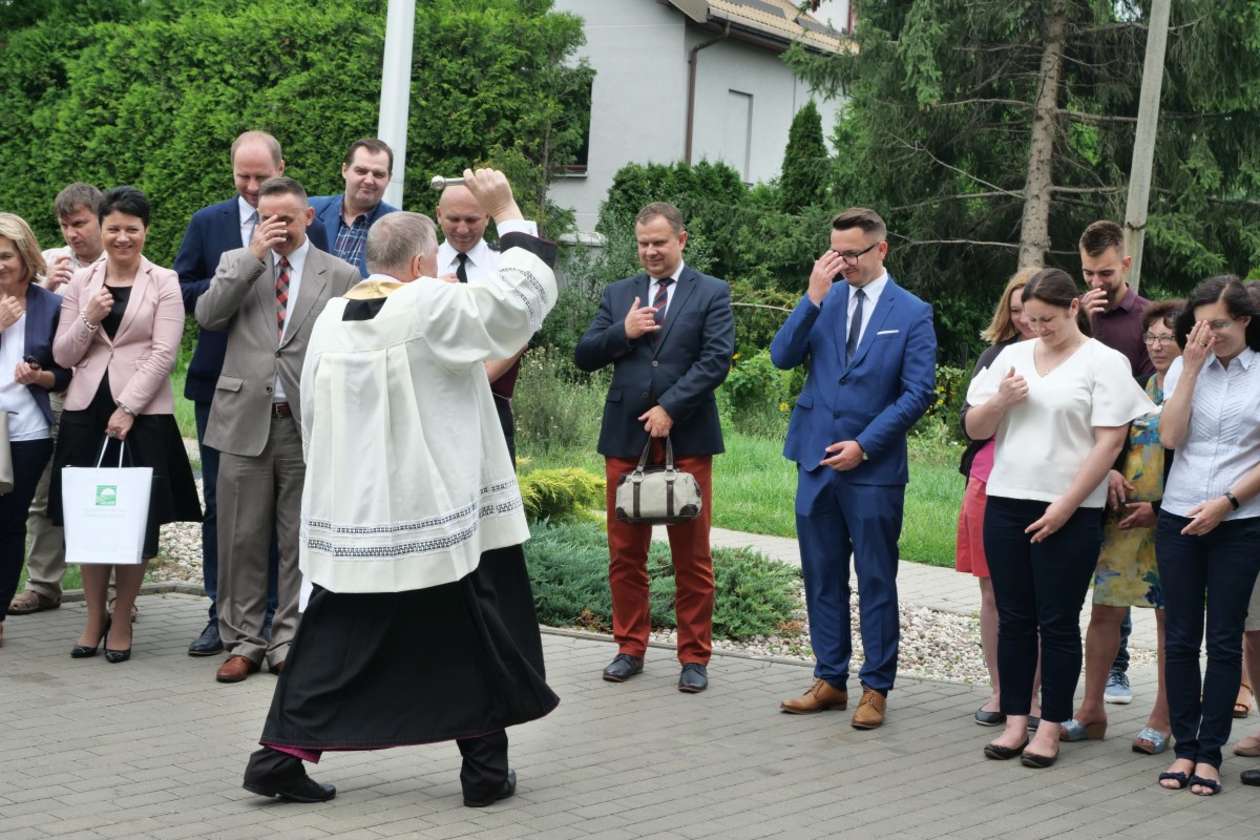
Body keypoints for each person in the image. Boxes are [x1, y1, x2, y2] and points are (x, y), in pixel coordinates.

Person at [241, 169, 558, 807]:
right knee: (470, 630)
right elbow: (519, 302)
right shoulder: (426, 304)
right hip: (425, 514)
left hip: (354, 517)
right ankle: (485, 774)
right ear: (421, 261)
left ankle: (280, 755)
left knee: (334, 637)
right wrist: (510, 212)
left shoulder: (333, 317)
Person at [965, 268, 1153, 768]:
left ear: (1073, 308)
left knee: (1058, 622)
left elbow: (1109, 442)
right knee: (1015, 618)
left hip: (1071, 508)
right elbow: (974, 426)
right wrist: (1001, 401)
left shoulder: (1104, 362)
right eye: (1030, 319)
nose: (1038, 328)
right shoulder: (1010, 355)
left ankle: (1050, 727)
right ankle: (1014, 722)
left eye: (1047, 319)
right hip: (1007, 501)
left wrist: (1066, 506)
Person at [770, 208, 937, 729]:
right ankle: (829, 679)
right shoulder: (826, 296)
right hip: (815, 461)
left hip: (873, 468)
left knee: (875, 579)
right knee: (821, 576)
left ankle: (875, 688)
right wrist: (812, 296)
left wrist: (865, 445)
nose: (844, 263)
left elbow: (918, 393)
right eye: (836, 253)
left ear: (881, 250)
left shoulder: (912, 312)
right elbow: (781, 356)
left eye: (854, 254)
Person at [195, 176, 359, 683]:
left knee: (298, 538)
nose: (279, 227)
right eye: (269, 218)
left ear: (309, 217)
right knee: (241, 537)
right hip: (243, 420)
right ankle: (243, 640)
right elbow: (207, 316)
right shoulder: (235, 262)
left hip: (307, 425)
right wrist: (249, 259)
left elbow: (354, 348)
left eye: (287, 217)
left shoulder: (341, 274)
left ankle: (288, 638)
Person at [173, 131, 324, 657]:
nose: (252, 187)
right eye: (244, 177)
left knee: (289, 521)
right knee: (227, 512)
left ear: (282, 170)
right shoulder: (210, 224)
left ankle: (283, 625)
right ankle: (225, 618)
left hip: (293, 402)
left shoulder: (310, 230)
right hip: (225, 385)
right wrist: (241, 266)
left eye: (262, 177)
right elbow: (190, 296)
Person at [574, 201, 733, 693]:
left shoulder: (711, 292)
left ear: (680, 240)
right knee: (625, 553)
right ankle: (629, 647)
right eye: (643, 244)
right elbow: (585, 355)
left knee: (691, 554)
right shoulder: (619, 293)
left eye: (659, 243)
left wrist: (670, 407)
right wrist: (623, 332)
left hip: (686, 436)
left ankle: (694, 657)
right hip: (625, 437)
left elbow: (715, 361)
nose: (650, 252)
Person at [50, 187, 202, 662]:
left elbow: (164, 352)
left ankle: (123, 617)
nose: (121, 238)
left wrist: (129, 406)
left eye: (131, 230)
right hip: (85, 411)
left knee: (134, 520)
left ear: (145, 231)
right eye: (113, 228)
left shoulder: (165, 281)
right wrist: (90, 318)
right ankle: (93, 618)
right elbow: (64, 355)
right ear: (102, 227)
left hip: (142, 415)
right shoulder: (82, 283)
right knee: (90, 520)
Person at [1061, 300, 1183, 754]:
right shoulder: (1142, 387)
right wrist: (1109, 471)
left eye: (1167, 337)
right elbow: (1110, 439)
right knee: (1104, 612)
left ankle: (1163, 717)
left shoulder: (1195, 390)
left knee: (1172, 623)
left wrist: (1162, 506)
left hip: (1173, 523)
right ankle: (1091, 710)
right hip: (1123, 521)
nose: (1157, 345)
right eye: (1151, 337)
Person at [1154, 275, 1260, 796]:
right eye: (1197, 326)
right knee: (1179, 639)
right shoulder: (1182, 366)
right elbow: (1171, 437)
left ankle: (1211, 754)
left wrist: (1228, 502)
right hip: (1178, 516)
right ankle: (1185, 749)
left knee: (1222, 641)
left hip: (1240, 520)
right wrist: (1191, 368)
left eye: (1217, 324)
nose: (1206, 334)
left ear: (1244, 319)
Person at [8, 184, 102, 618]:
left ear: (101, 219)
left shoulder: (120, 262)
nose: (72, 234)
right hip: (55, 399)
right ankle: (44, 584)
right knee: (43, 497)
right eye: (65, 226)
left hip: (101, 395)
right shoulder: (50, 264)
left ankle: (116, 593)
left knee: (104, 493)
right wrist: (48, 285)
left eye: (80, 223)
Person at [956, 268, 1038, 727]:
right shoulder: (995, 356)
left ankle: (1036, 697)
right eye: (1016, 307)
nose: (1026, 316)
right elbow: (970, 427)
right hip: (989, 483)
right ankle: (1002, 690)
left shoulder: (1074, 356)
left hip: (1047, 489)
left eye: (1033, 306)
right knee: (992, 591)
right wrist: (1001, 400)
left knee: (1038, 597)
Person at [1078, 220, 1154, 706]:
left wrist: (1115, 466)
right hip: (1071, 457)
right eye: (1087, 273)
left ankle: (1118, 669)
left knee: (1115, 573)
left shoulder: (1147, 319)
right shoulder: (1075, 312)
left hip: (1122, 465)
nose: (1096, 283)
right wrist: (1080, 320)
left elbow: (1144, 404)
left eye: (1104, 272)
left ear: (1125, 263)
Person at [0, 213, 70, 647]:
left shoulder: (51, 306)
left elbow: (65, 372)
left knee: (9, 524)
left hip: (26, 434)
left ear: (26, 257)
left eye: (5, 256)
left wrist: (41, 378)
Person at [436, 183, 538, 462]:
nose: (462, 228)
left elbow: (525, 326)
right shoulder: (423, 264)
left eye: (472, 220)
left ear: (488, 217)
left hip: (492, 397)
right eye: (453, 219)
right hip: (432, 397)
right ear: (438, 215)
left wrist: (481, 378)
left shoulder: (505, 265)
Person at [310, 138, 398, 277]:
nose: (369, 180)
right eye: (361, 171)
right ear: (345, 170)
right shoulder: (310, 211)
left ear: (388, 178)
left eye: (378, 174)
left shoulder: (400, 228)